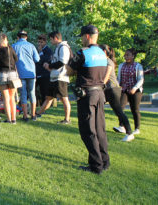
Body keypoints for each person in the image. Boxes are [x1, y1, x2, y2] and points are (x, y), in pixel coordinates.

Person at [67, 25, 109, 174]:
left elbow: (69, 71)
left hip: (87, 95)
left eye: (82, 37)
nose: (82, 41)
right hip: (100, 93)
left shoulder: (82, 53)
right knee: (100, 129)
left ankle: (96, 165)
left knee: (88, 131)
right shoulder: (102, 53)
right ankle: (105, 161)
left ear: (86, 36)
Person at [36, 31, 72, 124]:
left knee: (64, 98)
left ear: (56, 38)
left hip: (61, 77)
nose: (50, 41)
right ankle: (37, 114)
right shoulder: (58, 47)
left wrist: (50, 66)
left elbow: (62, 62)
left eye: (51, 39)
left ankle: (67, 119)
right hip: (54, 77)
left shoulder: (63, 47)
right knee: (48, 97)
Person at [100, 45, 134, 142]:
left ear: (104, 52)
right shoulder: (102, 62)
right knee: (97, 107)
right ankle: (98, 129)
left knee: (118, 111)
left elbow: (106, 77)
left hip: (113, 90)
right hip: (106, 90)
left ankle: (129, 133)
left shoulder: (108, 62)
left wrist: (100, 86)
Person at [12, 30, 40, 121]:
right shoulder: (31, 46)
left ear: (18, 37)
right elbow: (37, 59)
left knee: (23, 94)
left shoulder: (14, 46)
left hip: (20, 73)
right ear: (26, 37)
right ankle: (33, 115)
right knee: (32, 93)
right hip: (31, 73)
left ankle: (25, 116)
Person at [0, 33, 19, 124]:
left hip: (2, 74)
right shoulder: (10, 49)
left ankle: (9, 119)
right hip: (13, 74)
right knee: (12, 98)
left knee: (5, 98)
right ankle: (14, 119)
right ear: (5, 40)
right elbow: (16, 60)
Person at [116, 48, 144, 135]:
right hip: (124, 90)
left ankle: (137, 128)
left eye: (127, 55)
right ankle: (122, 126)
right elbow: (118, 78)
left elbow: (141, 79)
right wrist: (117, 86)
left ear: (133, 56)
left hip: (135, 90)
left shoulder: (138, 66)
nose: (125, 56)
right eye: (125, 55)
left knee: (134, 109)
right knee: (120, 108)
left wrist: (135, 88)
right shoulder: (121, 65)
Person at [35, 34, 53, 107]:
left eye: (41, 42)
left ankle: (45, 107)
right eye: (38, 42)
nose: (39, 44)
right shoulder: (37, 50)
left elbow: (46, 60)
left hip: (45, 74)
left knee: (44, 92)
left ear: (45, 42)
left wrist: (41, 52)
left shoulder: (48, 50)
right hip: (37, 73)